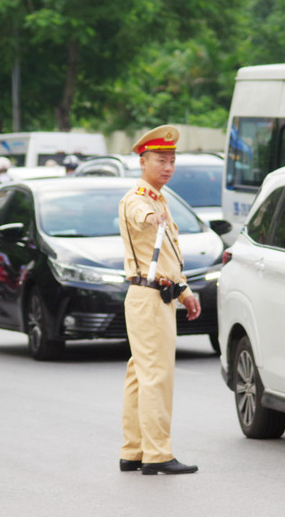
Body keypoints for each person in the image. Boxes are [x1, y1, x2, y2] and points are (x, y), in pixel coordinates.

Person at [117, 125, 202, 475]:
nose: (167, 167)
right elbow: (140, 216)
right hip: (148, 299)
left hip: (156, 294)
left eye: (171, 160)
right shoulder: (139, 199)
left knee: (140, 375)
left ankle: (134, 451)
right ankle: (157, 453)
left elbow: (165, 255)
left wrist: (183, 290)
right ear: (143, 161)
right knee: (157, 377)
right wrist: (151, 217)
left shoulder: (158, 196)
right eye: (160, 160)